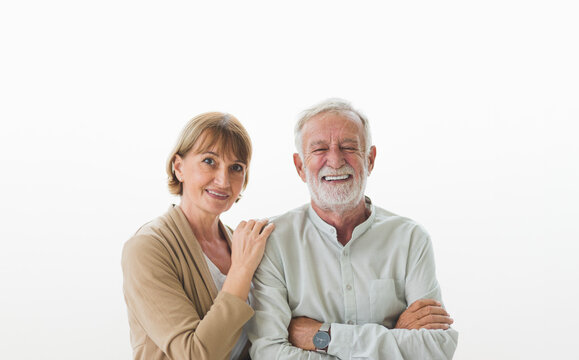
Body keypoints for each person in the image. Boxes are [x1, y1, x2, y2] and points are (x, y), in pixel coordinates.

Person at [247, 98, 458, 359]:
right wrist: (394, 336)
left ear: (370, 159)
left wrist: (322, 336)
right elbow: (268, 353)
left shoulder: (411, 239)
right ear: (300, 166)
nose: (335, 161)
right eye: (320, 149)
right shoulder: (273, 241)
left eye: (348, 147)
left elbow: (436, 348)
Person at [122, 112, 274, 360]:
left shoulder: (241, 243)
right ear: (179, 167)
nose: (223, 180)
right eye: (209, 161)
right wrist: (241, 270)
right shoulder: (147, 248)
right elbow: (193, 354)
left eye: (236, 167)